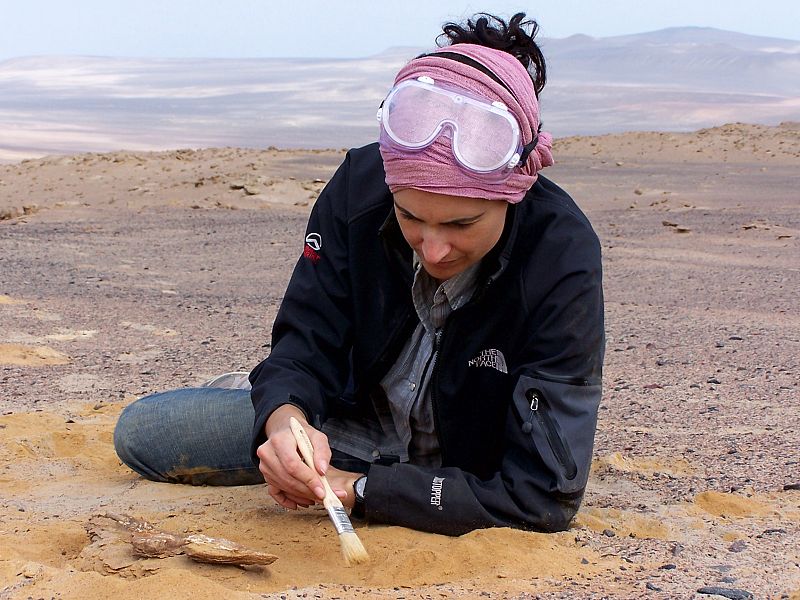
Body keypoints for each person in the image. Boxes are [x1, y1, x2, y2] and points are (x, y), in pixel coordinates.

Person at [114, 12, 604, 536]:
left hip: (461, 472)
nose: (435, 249)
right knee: (143, 434)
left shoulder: (563, 254)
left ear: (515, 191)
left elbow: (544, 495)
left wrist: (365, 491)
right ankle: (258, 399)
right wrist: (286, 419)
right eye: (411, 217)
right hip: (345, 428)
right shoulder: (359, 187)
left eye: (462, 224)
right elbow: (305, 340)